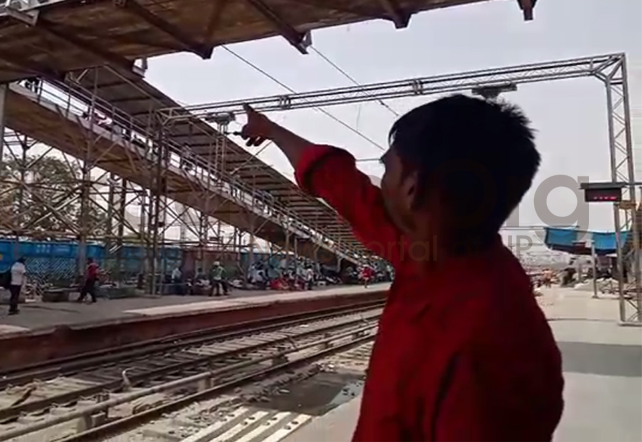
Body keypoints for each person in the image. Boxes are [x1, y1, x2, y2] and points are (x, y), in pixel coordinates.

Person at [240, 96, 563, 441]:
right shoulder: (431, 251)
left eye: (388, 169)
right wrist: (272, 131)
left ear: (411, 187)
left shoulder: (488, 347)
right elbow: (341, 184)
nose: (381, 183)